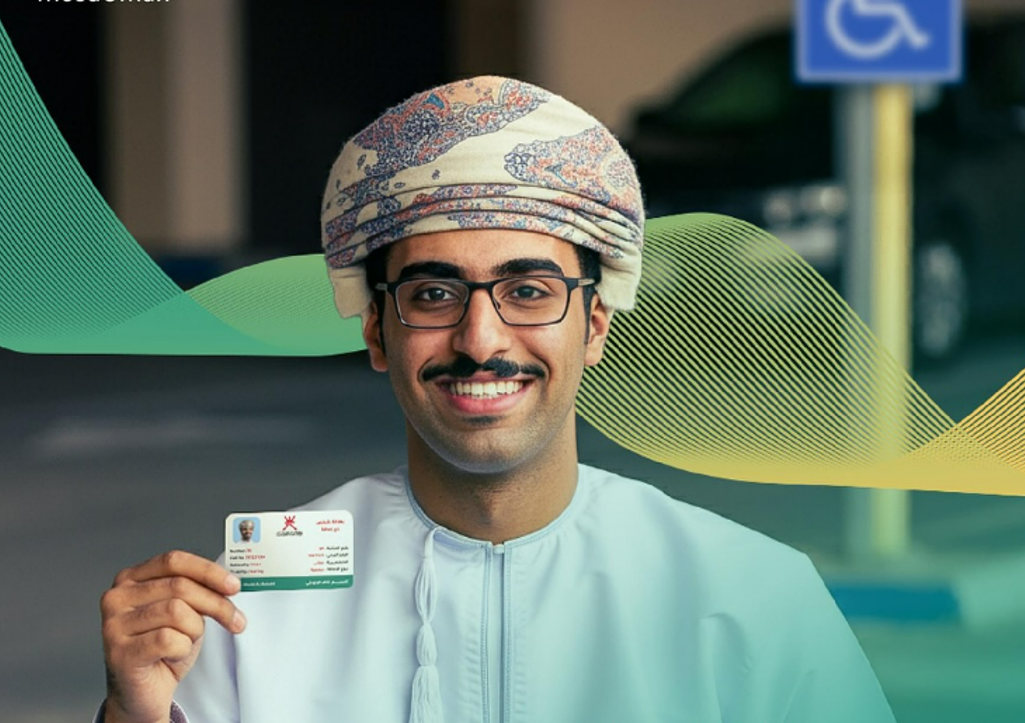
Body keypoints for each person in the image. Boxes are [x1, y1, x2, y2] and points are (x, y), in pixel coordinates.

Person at [97, 76, 895, 723]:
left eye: (528, 290)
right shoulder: (253, 604)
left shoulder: (749, 595)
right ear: (376, 330)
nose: (480, 339)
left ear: (594, 325)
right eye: (433, 293)